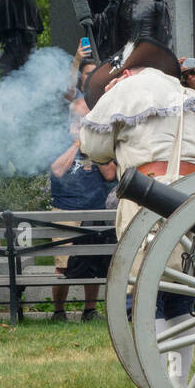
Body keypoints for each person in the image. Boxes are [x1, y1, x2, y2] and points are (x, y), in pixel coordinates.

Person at [79, 38, 195, 388]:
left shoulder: (125, 89)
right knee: (180, 293)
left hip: (152, 199)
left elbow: (93, 146)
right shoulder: (193, 98)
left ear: (126, 72)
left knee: (146, 294)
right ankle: (177, 384)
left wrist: (113, 98)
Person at [49, 121, 116, 322]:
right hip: (66, 211)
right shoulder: (56, 144)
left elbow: (110, 173)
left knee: (94, 263)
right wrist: (77, 145)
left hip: (95, 210)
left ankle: (90, 311)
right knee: (63, 265)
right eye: (76, 124)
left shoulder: (97, 147)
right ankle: (59, 312)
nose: (80, 127)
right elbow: (57, 170)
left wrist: (92, 147)